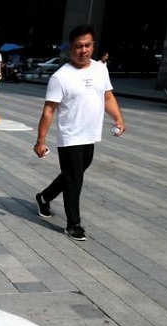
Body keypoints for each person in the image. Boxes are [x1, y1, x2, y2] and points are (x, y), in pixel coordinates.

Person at [33, 24, 125, 242]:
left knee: (72, 175)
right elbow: (49, 110)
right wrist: (40, 141)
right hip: (70, 136)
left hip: (90, 135)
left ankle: (44, 197)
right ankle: (73, 224)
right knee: (75, 181)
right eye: (78, 46)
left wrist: (118, 118)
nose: (83, 50)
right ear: (70, 49)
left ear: (93, 46)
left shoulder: (100, 68)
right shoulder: (60, 77)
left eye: (87, 45)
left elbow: (108, 97)